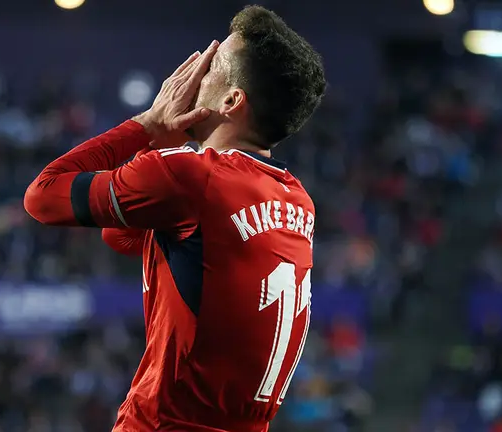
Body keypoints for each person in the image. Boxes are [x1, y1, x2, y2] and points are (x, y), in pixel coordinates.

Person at [24, 5, 326, 431]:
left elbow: (42, 196)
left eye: (213, 65)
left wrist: (146, 126)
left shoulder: (192, 176)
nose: (197, 74)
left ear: (231, 100)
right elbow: (123, 237)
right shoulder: (298, 201)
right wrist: (165, 146)